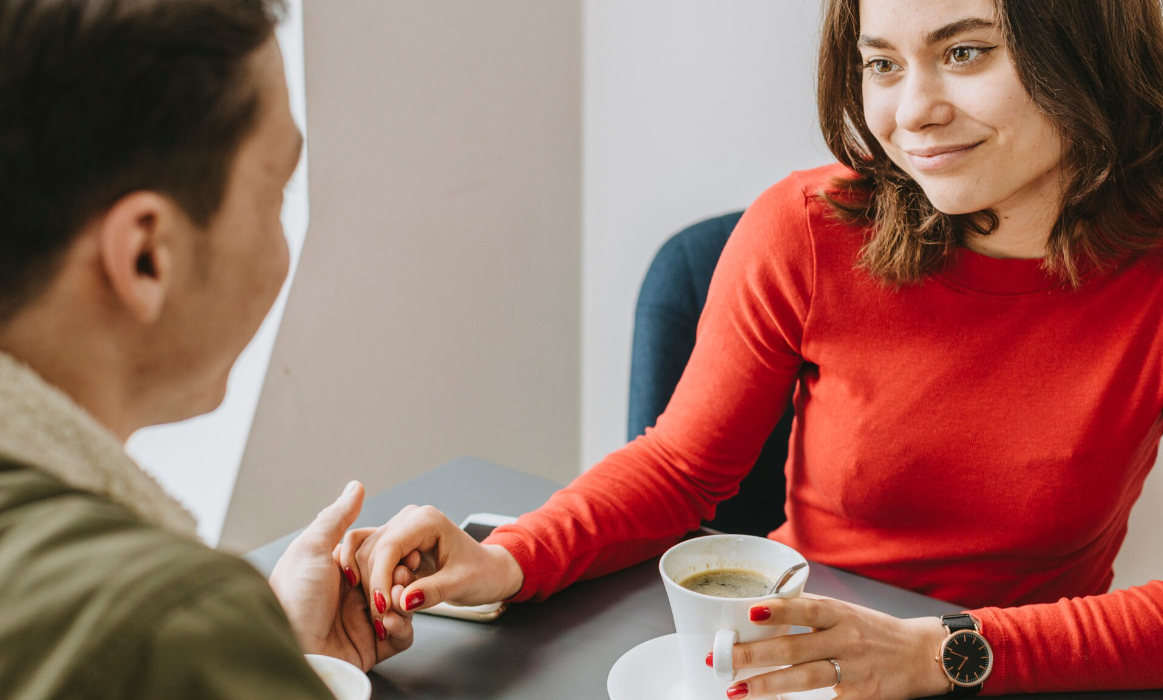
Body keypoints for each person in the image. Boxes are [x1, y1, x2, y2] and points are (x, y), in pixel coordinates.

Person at [344, 0, 1163, 697]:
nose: (913, 113)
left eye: (965, 51)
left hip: (1026, 667)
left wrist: (938, 653)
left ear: (1085, 46)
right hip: (798, 657)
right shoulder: (806, 231)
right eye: (881, 64)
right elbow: (679, 468)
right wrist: (508, 558)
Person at [0, 1, 412, 697]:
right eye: (278, 191)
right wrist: (224, 654)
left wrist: (265, 666)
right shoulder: (165, 630)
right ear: (148, 255)